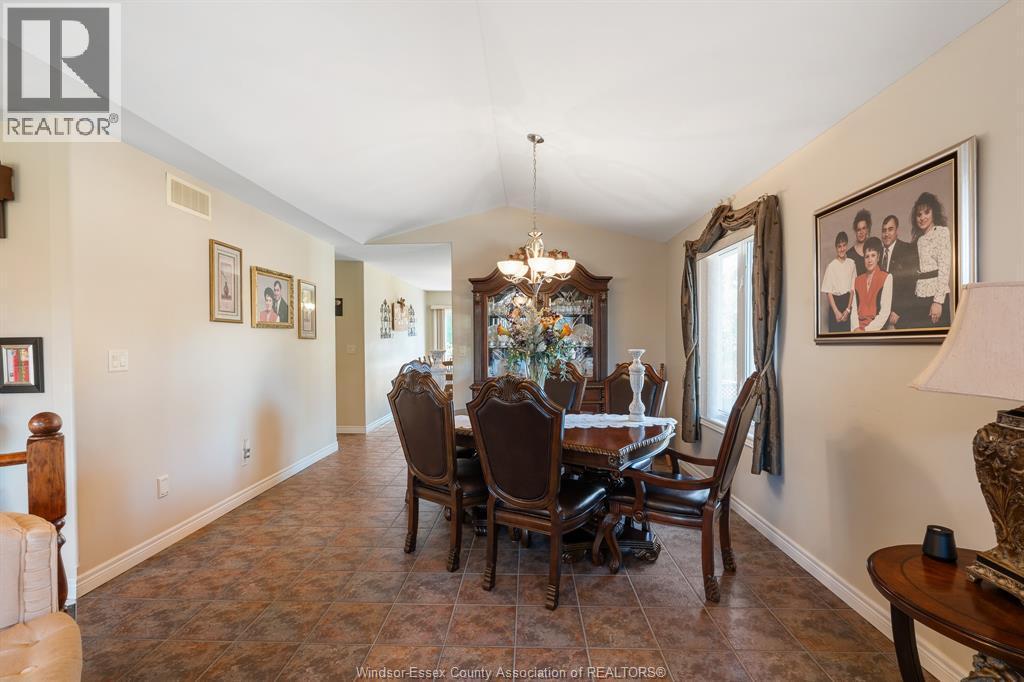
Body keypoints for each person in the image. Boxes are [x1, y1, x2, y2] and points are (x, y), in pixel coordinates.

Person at [908, 192, 952, 328]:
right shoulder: (919, 240)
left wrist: (938, 301)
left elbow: (945, 268)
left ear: (934, 212)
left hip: (936, 295)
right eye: (919, 215)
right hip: (920, 295)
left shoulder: (942, 232)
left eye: (926, 212)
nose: (922, 217)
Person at [878, 215, 920, 329]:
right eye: (884, 230)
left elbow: (912, 283)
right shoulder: (878, 254)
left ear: (897, 231)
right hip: (880, 317)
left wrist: (898, 310)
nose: (886, 234)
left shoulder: (908, 250)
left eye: (890, 229)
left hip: (901, 317)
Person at [850, 236, 892, 332]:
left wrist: (866, 330)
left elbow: (885, 312)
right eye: (867, 256)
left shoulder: (886, 277)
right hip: (857, 330)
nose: (869, 260)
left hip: (876, 329)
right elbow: (853, 310)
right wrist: (856, 329)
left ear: (878, 257)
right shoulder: (857, 280)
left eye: (873, 255)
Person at [820, 230, 856, 333]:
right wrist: (836, 312)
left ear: (847, 245)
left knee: (848, 338)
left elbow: (852, 289)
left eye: (844, 245)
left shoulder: (852, 264)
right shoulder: (831, 266)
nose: (842, 249)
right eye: (839, 246)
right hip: (835, 305)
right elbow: (829, 292)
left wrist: (848, 310)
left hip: (847, 304)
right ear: (836, 248)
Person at [848, 208, 872, 275]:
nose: (861, 232)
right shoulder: (849, 254)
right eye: (858, 229)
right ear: (855, 231)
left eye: (863, 228)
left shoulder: (874, 250)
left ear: (868, 229)